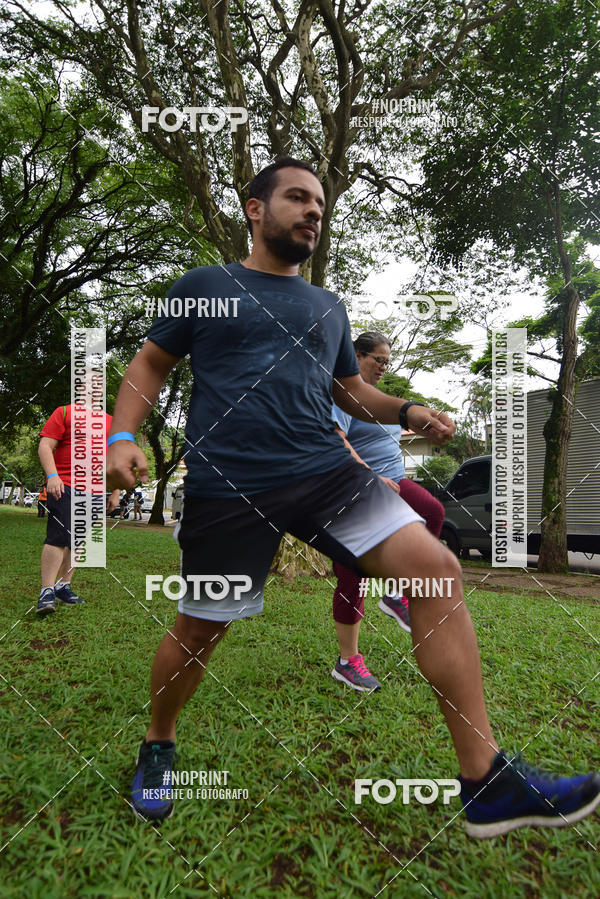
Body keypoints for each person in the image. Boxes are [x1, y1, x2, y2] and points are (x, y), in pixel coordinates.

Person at [107, 157, 600, 836]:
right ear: (256, 209)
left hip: (322, 470)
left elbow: (349, 393)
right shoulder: (204, 286)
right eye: (298, 197)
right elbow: (150, 363)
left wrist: (407, 410)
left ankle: (484, 779)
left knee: (438, 569)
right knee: (200, 627)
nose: (313, 210)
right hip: (230, 481)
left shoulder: (326, 307)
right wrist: (122, 433)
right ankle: (159, 742)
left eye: (320, 202)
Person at [330, 331, 445, 693]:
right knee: (353, 573)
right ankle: (348, 661)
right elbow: (336, 438)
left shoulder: (383, 399)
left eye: (387, 361)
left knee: (432, 512)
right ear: (357, 356)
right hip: (355, 487)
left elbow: (413, 420)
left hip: (395, 481)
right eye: (378, 360)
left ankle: (397, 591)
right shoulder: (343, 394)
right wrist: (369, 474)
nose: (384, 367)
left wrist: (436, 423)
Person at [37, 403, 120, 616]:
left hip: (97, 491)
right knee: (57, 537)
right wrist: (52, 476)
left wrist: (115, 492)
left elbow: (116, 460)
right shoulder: (64, 412)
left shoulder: (112, 421)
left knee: (78, 541)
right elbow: (45, 445)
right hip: (65, 485)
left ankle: (63, 585)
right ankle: (46, 591)